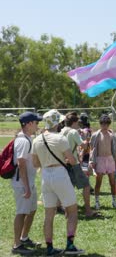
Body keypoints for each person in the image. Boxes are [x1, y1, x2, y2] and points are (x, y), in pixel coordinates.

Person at [32, 109, 85, 255]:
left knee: (49, 214)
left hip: (45, 176)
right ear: (57, 122)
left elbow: (35, 163)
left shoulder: (37, 139)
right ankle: (70, 245)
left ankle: (49, 247)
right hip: (60, 174)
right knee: (72, 211)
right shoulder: (60, 139)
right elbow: (72, 160)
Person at [11, 112, 42, 255]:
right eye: (36, 123)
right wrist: (27, 187)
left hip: (28, 182)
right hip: (23, 184)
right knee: (21, 212)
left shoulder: (27, 138)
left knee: (31, 210)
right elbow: (21, 164)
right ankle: (17, 245)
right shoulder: (23, 140)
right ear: (29, 124)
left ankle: (24, 238)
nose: (37, 125)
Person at [60, 112, 97, 218]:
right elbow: (84, 146)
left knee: (69, 187)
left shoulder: (61, 131)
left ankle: (68, 212)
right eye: (77, 122)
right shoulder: (73, 132)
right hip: (74, 164)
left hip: (63, 163)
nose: (78, 125)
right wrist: (87, 141)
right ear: (74, 122)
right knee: (86, 186)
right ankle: (88, 211)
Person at [89, 114, 116, 209]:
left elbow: (114, 150)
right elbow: (92, 149)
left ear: (109, 124)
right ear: (100, 124)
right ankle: (97, 202)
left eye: (106, 124)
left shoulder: (111, 135)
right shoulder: (95, 135)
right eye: (103, 124)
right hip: (100, 159)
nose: (104, 126)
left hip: (110, 159)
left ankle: (114, 201)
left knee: (113, 182)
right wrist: (92, 161)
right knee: (98, 182)